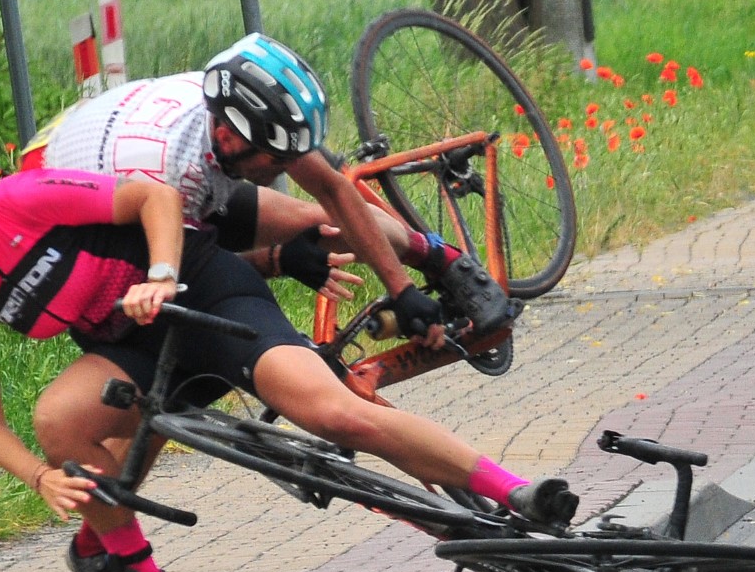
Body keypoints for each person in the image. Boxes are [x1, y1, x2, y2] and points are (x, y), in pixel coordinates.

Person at [0, 166, 573, 572]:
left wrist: (161, 275)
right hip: (138, 348)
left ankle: (515, 491)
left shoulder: (19, 199)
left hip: (204, 294)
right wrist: (40, 477)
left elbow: (155, 196)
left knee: (335, 414)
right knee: (58, 419)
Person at [35, 34, 510, 343]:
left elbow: (334, 193)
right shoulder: (169, 177)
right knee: (178, 329)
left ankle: (445, 260)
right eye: (279, 159)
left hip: (158, 164)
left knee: (319, 224)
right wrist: (280, 260)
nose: (290, 168)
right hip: (107, 225)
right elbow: (187, 279)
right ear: (229, 138)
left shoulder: (231, 115)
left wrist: (402, 290)